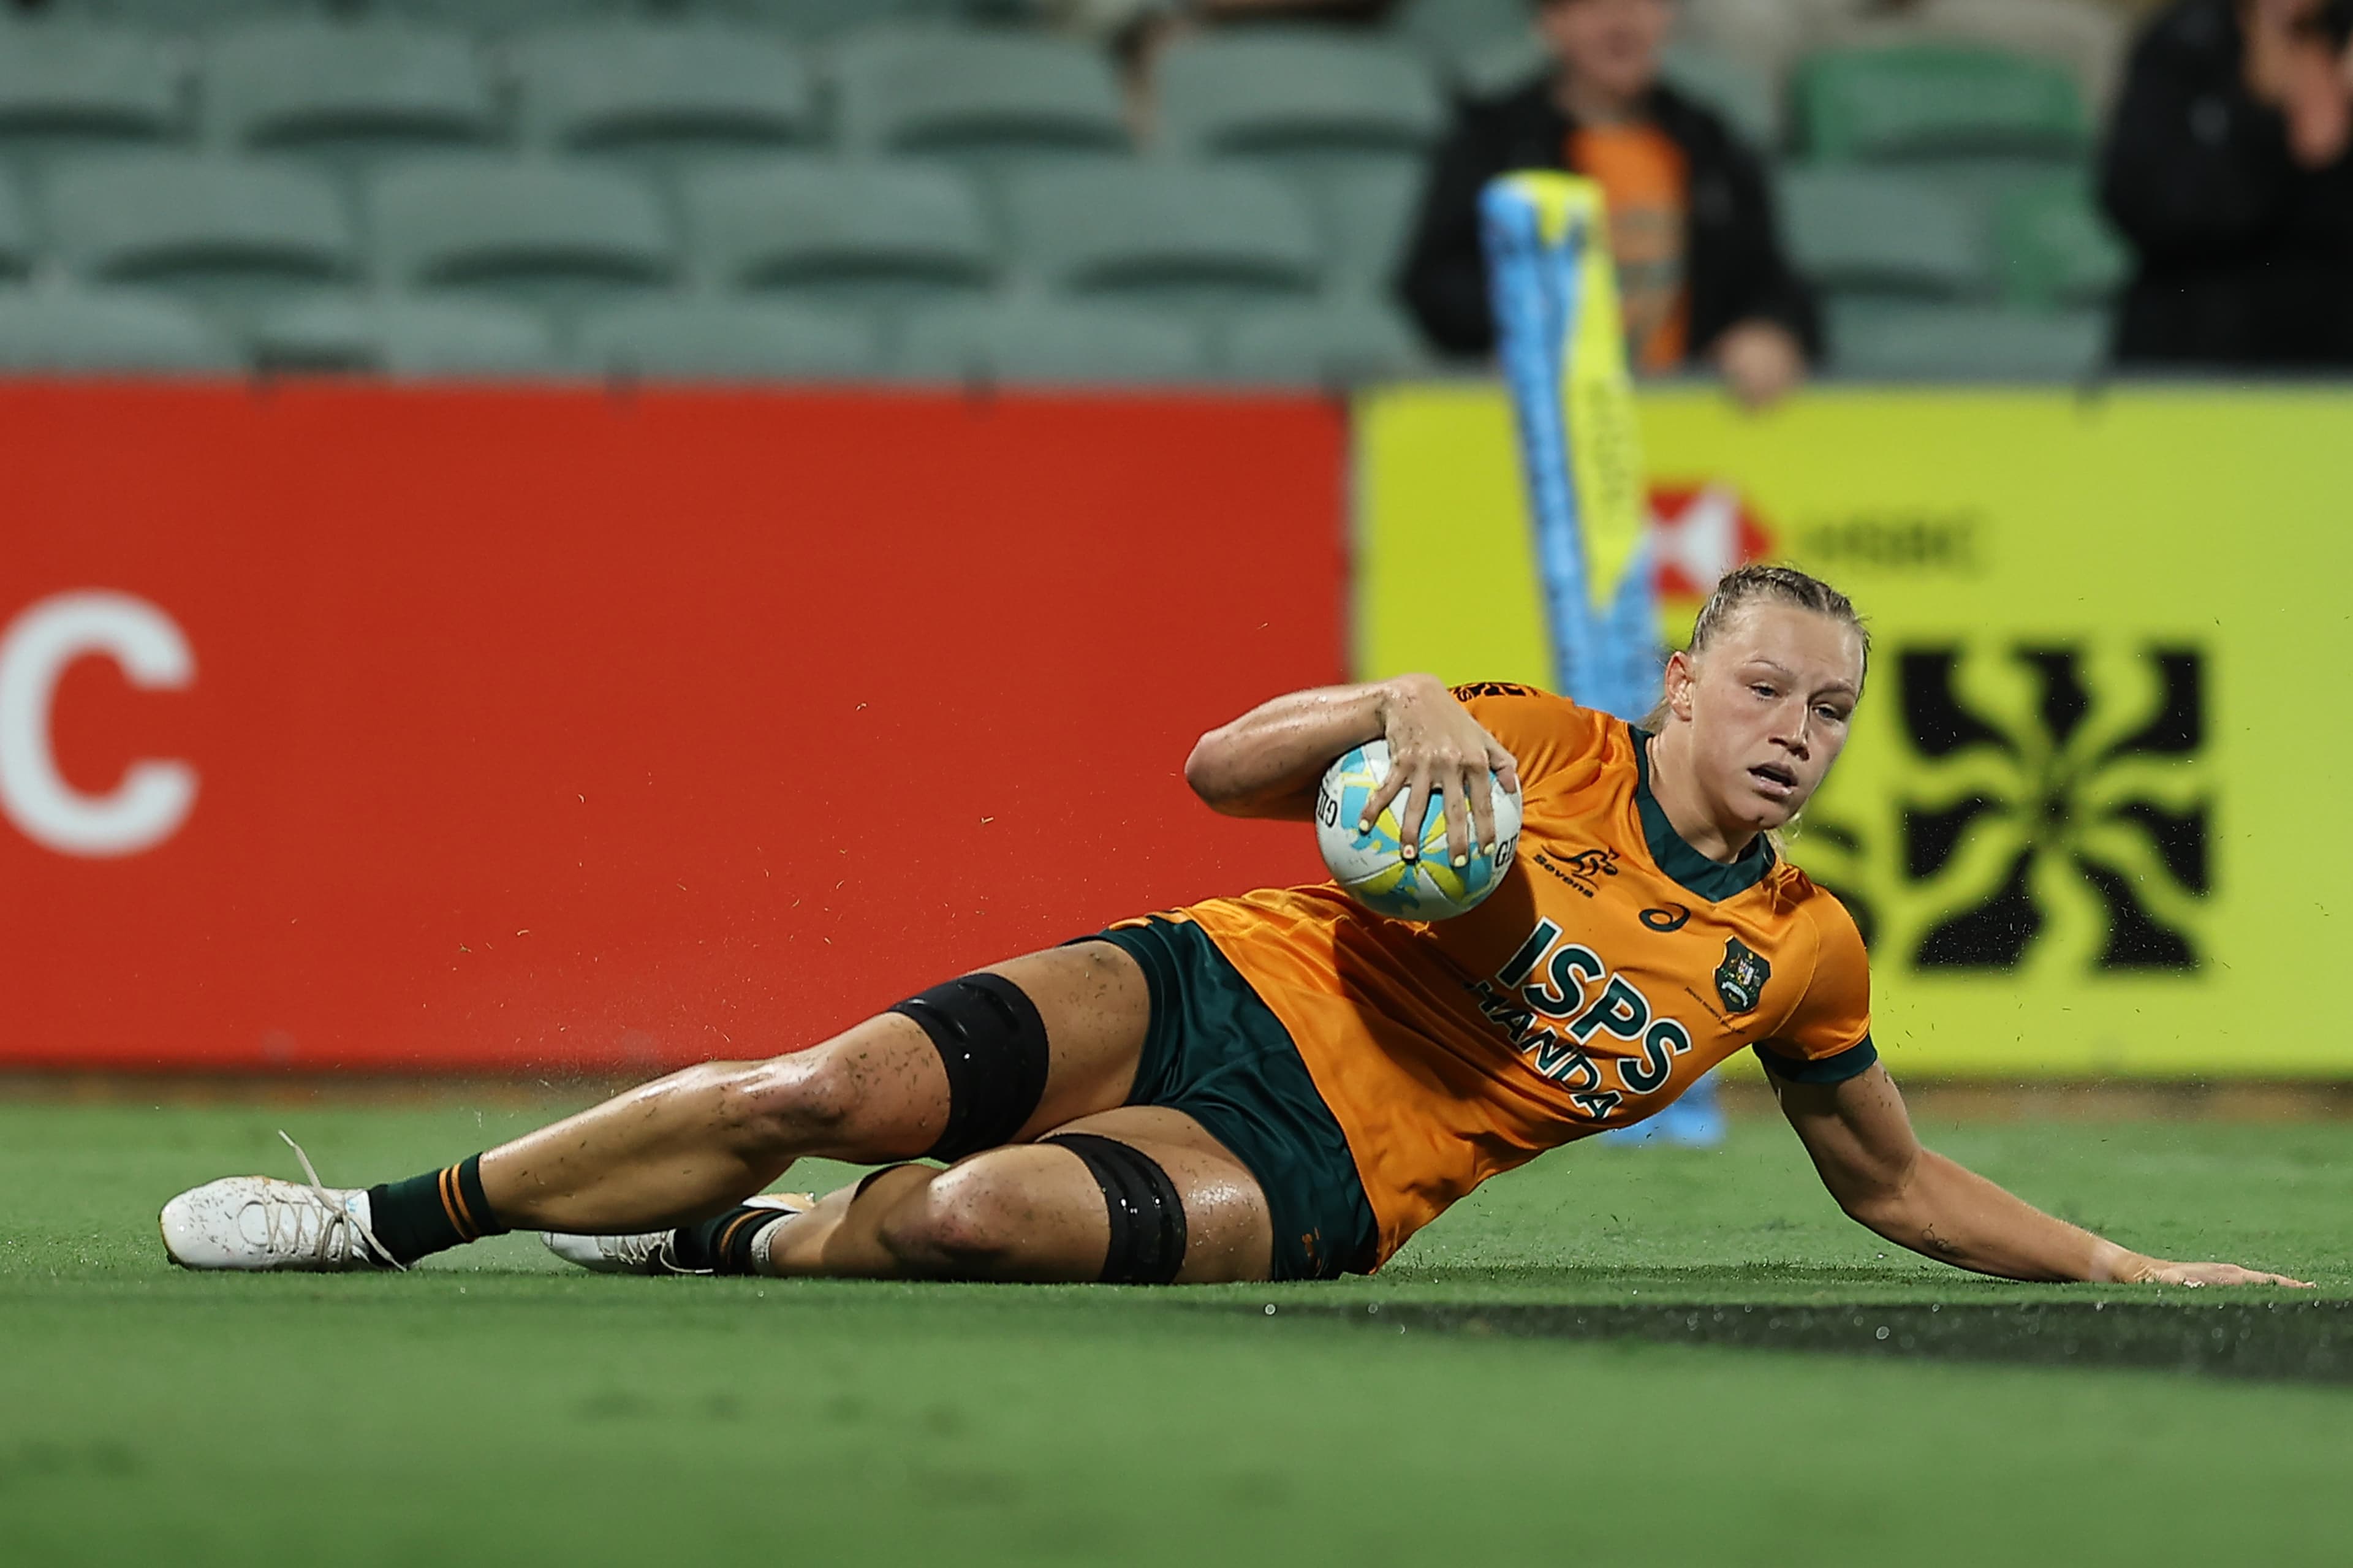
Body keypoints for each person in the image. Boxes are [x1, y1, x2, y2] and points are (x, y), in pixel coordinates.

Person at [160, 567, 2306, 1292]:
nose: (1800, 734)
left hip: (1330, 1167)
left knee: (970, 1214)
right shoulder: (1529, 745)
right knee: (827, 1084)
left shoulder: (1805, 950)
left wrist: (2122, 1256)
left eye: (1831, 712)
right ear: (1682, 682)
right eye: (1767, 690)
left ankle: (714, 1238)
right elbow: (1215, 769)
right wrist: (1394, 695)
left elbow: (1892, 1175)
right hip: (1225, 970)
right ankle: (371, 1215)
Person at [1400, 0, 1819, 407]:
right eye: (1594, 5)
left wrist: (1770, 329)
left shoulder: (1710, 143)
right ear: (1551, 22)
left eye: (1642, 3)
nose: (1621, 22)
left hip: (1686, 415)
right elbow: (1435, 281)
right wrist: (1518, 328)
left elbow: (1770, 277)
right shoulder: (1495, 141)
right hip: (1548, 413)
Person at [2101, 0, 2353, 366]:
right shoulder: (2189, 41)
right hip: (2194, 365)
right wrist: (2257, 121)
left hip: (2331, 372)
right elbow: (2141, 201)